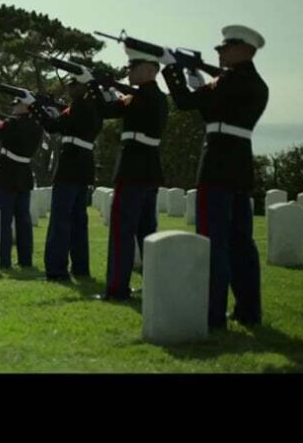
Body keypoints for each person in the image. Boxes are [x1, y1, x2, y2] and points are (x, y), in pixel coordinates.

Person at [161, 25, 268, 329]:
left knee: (213, 243)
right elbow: (215, 115)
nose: (220, 53)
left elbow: (183, 102)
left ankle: (212, 313)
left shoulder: (229, 81)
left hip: (216, 168)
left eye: (225, 48)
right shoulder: (255, 84)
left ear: (245, 50)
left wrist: (170, 67)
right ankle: (249, 310)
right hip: (239, 168)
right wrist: (200, 81)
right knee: (241, 243)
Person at [98, 45, 169, 301]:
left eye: (133, 67)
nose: (128, 71)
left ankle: (117, 289)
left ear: (149, 70)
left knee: (123, 230)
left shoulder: (145, 97)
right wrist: (102, 87)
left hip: (132, 170)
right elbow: (107, 111)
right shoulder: (145, 97)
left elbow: (114, 108)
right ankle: (154, 284)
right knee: (146, 231)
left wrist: (103, 88)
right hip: (149, 171)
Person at [30, 79, 103, 282]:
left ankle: (56, 270)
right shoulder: (93, 107)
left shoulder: (79, 107)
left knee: (60, 220)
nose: (70, 88)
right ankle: (80, 268)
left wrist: (34, 106)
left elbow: (52, 126)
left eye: (74, 85)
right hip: (84, 167)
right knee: (79, 220)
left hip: (69, 166)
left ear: (85, 87)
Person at [0, 100, 43, 268]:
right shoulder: (36, 125)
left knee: (3, 221)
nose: (13, 106)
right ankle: (26, 259)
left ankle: (4, 260)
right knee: (23, 220)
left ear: (26, 106)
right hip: (24, 175)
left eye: (17, 104)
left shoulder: (12, 124)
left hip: (7, 174)